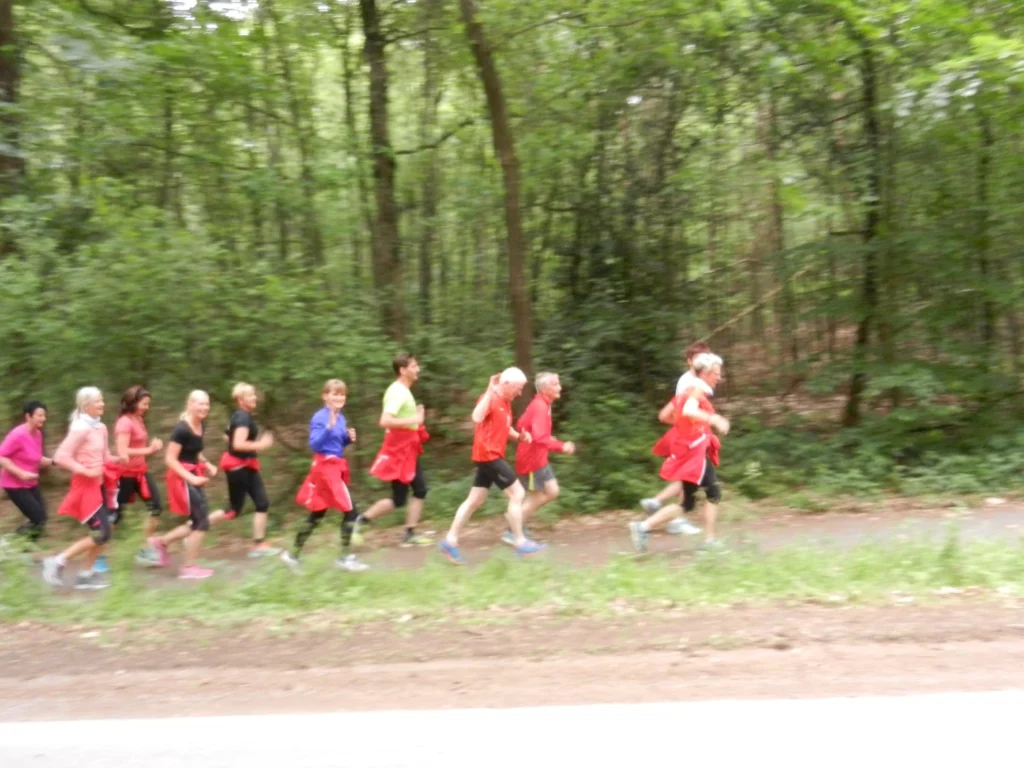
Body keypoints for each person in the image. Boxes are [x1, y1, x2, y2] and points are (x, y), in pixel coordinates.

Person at [439, 368, 546, 565]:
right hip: (488, 455)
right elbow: (477, 417)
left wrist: (520, 436)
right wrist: (489, 391)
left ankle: (449, 541)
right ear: (505, 384)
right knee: (517, 494)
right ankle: (520, 541)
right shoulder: (490, 398)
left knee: (475, 500)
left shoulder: (506, 403)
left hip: (489, 456)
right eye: (518, 388)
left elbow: (506, 429)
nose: (520, 393)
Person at [629, 353, 729, 552]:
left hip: (687, 450)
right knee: (713, 493)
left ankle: (643, 527)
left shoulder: (687, 389)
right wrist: (713, 419)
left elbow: (665, 415)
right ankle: (709, 542)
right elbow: (689, 411)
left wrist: (685, 428)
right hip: (694, 452)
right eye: (716, 374)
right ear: (706, 373)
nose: (719, 377)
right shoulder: (698, 389)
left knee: (687, 503)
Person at [281, 379, 368, 572]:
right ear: (325, 396)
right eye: (334, 394)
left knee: (318, 513)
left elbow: (335, 445)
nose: (339, 397)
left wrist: (347, 439)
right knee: (351, 510)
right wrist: (328, 426)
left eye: (342, 394)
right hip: (325, 469)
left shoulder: (340, 416)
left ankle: (292, 555)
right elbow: (315, 445)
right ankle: (345, 558)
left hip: (334, 466)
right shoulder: (320, 417)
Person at [147, 390, 228, 580]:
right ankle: (188, 567)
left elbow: (194, 450)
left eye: (207, 404)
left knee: (198, 520)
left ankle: (162, 543)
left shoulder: (200, 424)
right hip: (181, 477)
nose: (204, 407)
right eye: (200, 404)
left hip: (194, 474)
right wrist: (191, 479)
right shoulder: (181, 429)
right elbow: (170, 459)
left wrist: (206, 464)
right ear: (189, 404)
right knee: (201, 522)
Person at [354, 353, 432, 548]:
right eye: (414, 366)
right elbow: (385, 420)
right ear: (403, 370)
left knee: (417, 491)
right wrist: (414, 420)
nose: (418, 369)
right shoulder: (398, 391)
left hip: (407, 449)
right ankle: (359, 520)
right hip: (400, 450)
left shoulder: (403, 390)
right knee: (402, 498)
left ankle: (409, 533)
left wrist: (416, 416)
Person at [41, 388, 116, 590]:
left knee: (106, 531)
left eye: (102, 400)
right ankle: (57, 561)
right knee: (101, 532)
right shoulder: (80, 428)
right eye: (98, 401)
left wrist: (123, 460)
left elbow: (106, 456)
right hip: (85, 487)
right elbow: (61, 456)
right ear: (85, 405)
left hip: (100, 486)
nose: (102, 404)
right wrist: (85, 470)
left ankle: (85, 574)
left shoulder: (100, 428)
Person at [640, 341, 712, 536]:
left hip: (689, 436)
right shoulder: (689, 382)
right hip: (687, 438)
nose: (703, 362)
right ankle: (675, 519)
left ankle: (656, 503)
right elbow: (678, 410)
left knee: (689, 476)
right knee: (691, 476)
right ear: (689, 361)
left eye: (706, 358)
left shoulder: (698, 379)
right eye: (698, 358)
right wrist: (685, 427)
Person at [505, 371, 576, 545]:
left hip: (539, 459)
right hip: (531, 461)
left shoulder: (542, 404)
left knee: (552, 492)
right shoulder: (540, 406)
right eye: (555, 384)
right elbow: (538, 438)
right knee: (535, 498)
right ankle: (512, 531)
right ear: (545, 389)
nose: (560, 387)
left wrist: (538, 434)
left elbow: (521, 423)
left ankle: (516, 525)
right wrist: (561, 446)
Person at [104, 386, 164, 570]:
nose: (147, 407)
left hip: (140, 473)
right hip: (124, 475)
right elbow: (122, 451)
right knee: (115, 517)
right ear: (134, 402)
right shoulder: (124, 422)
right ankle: (100, 553)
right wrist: (148, 450)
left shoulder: (138, 419)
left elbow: (138, 446)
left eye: (148, 404)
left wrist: (152, 447)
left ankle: (142, 547)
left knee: (156, 507)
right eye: (144, 403)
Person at [221, 383, 278, 558]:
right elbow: (237, 443)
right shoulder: (242, 418)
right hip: (239, 467)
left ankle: (258, 544)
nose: (254, 398)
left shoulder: (240, 416)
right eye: (250, 395)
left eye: (254, 395)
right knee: (233, 510)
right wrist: (261, 444)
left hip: (247, 465)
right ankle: (197, 525)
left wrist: (248, 447)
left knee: (262, 503)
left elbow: (226, 436)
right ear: (240, 399)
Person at [0, 400, 55, 543]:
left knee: (41, 519)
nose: (43, 418)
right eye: (39, 415)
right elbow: (2, 456)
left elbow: (37, 458)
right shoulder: (17, 435)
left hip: (30, 483)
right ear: (28, 416)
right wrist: (20, 473)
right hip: (14, 485)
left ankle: (23, 550)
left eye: (44, 415)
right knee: (38, 518)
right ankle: (8, 545)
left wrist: (54, 461)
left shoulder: (38, 434)